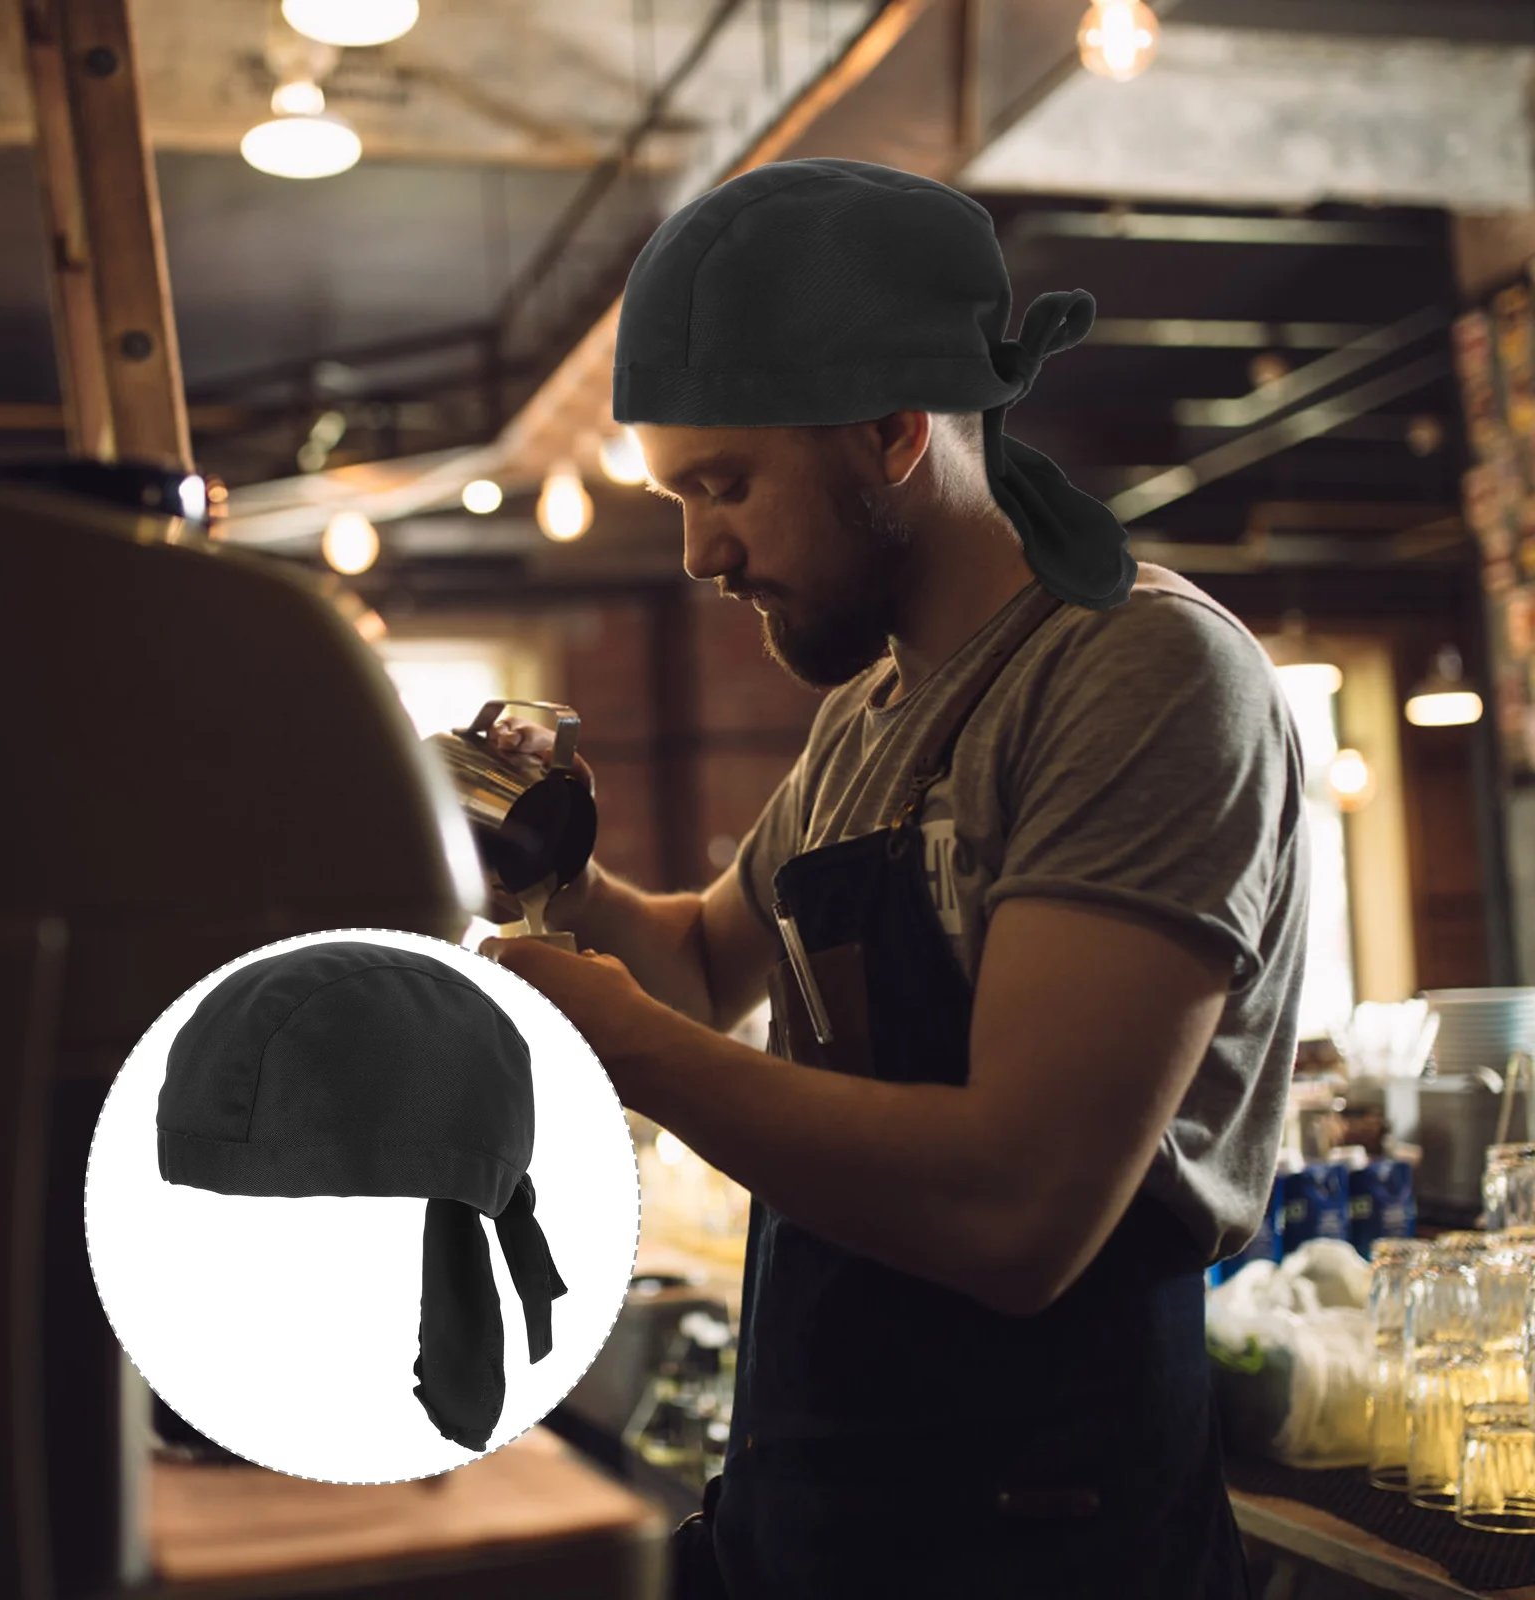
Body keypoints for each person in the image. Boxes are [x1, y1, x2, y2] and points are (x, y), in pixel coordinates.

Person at [479, 159, 1310, 1599]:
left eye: (726, 485)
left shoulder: (1140, 678)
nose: (698, 552)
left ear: (893, 431)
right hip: (830, 1512)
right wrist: (541, 857)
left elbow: (1019, 1211)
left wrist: (617, 1039)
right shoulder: (870, 709)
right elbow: (701, 968)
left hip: (1048, 1534)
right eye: (681, 493)